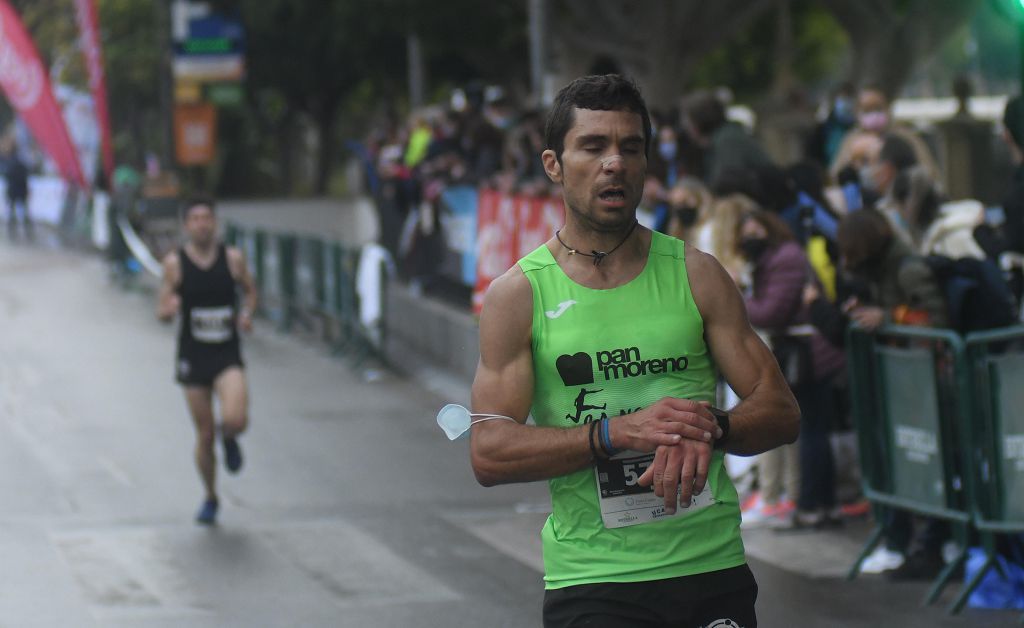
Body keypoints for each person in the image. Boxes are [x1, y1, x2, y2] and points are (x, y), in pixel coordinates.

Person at [470, 74, 799, 627]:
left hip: (709, 569)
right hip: (595, 580)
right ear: (553, 164)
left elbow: (781, 412)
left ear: (648, 162)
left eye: (631, 147)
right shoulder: (520, 294)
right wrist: (613, 433)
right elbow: (489, 452)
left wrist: (711, 428)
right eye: (593, 147)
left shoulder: (696, 274)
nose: (614, 163)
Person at [734, 210, 846, 529]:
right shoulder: (776, 258)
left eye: (756, 229)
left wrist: (736, 296)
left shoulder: (785, 258)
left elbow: (771, 311)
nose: (750, 238)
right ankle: (822, 505)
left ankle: (811, 505)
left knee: (812, 434)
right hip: (802, 356)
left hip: (810, 358)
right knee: (814, 432)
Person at [157, 196, 257, 525]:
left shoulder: (232, 259)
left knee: (236, 418)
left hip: (227, 353)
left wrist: (246, 314)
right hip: (193, 356)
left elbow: (251, 291)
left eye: (207, 218)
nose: (202, 224)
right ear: (187, 225)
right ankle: (211, 496)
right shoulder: (175, 264)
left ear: (215, 222)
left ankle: (231, 437)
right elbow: (162, 307)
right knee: (204, 435)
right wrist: (168, 311)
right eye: (196, 219)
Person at [5, 147, 30, 240]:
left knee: (12, 211)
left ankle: (12, 228)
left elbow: (8, 177)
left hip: (13, 191)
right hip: (21, 191)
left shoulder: (10, 164)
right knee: (25, 211)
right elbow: (25, 178)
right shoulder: (22, 164)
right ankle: (28, 229)